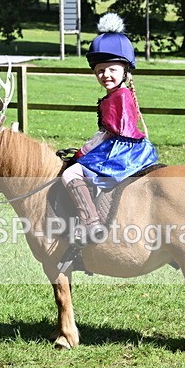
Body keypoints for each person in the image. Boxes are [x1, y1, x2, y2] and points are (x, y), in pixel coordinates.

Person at [61, 13, 158, 243]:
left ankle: (90, 222)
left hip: (120, 151)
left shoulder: (120, 96)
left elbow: (111, 133)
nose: (105, 75)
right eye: (100, 70)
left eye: (112, 69)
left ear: (125, 71)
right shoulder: (119, 94)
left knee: (70, 172)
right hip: (122, 146)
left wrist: (83, 151)